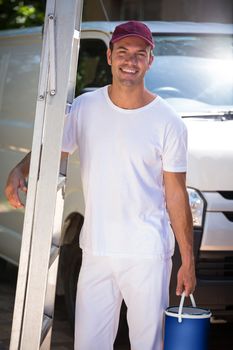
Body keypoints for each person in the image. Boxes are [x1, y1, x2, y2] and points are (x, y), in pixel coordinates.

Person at [5, 21, 196, 350]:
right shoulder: (84, 107)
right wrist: (19, 169)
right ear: (109, 56)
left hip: (147, 254)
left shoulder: (168, 121)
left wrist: (188, 260)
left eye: (140, 54)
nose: (130, 61)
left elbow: (176, 195)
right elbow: (54, 150)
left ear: (151, 60)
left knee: (147, 345)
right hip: (96, 250)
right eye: (123, 52)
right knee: (89, 344)